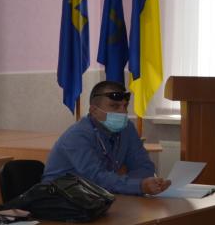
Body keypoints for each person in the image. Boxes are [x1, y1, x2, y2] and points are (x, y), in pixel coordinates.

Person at [42, 80, 170, 196]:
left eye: (125, 106)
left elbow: (145, 166)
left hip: (100, 197)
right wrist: (137, 185)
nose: (123, 112)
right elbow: (96, 178)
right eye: (114, 106)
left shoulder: (127, 128)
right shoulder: (77, 136)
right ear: (94, 110)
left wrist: (127, 183)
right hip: (60, 198)